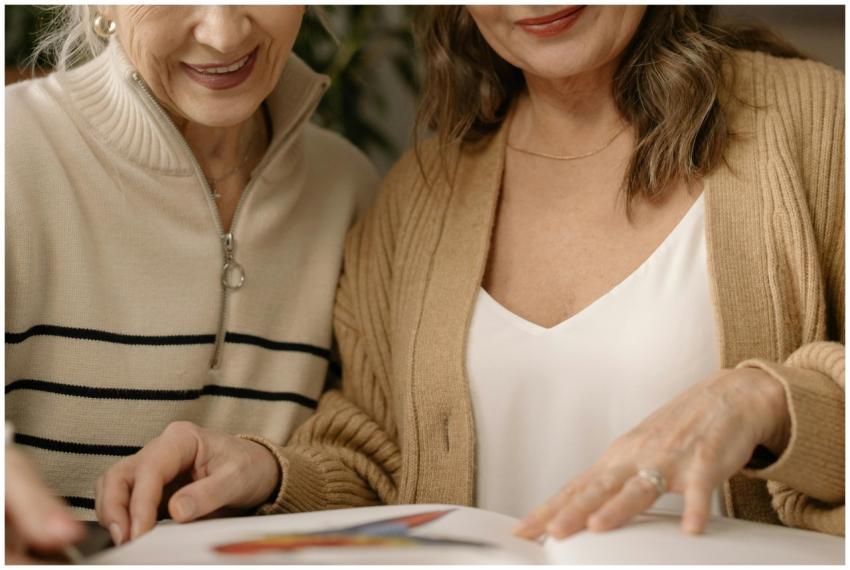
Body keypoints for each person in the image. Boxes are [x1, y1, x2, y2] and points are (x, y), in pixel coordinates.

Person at [96, 5, 844, 542]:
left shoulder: (817, 123)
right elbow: (377, 458)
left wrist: (773, 403)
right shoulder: (418, 192)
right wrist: (262, 468)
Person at [5, 4, 377, 558]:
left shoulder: (350, 188)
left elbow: (371, 463)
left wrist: (274, 472)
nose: (223, 34)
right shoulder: (11, 154)